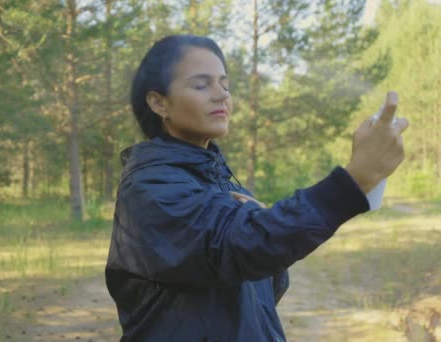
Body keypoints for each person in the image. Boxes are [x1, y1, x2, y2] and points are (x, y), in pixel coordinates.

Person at [105, 34, 408, 341]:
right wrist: (353, 182)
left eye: (224, 83)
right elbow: (236, 247)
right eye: (201, 84)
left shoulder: (225, 185)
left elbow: (259, 282)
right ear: (159, 102)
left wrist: (261, 225)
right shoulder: (149, 189)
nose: (221, 95)